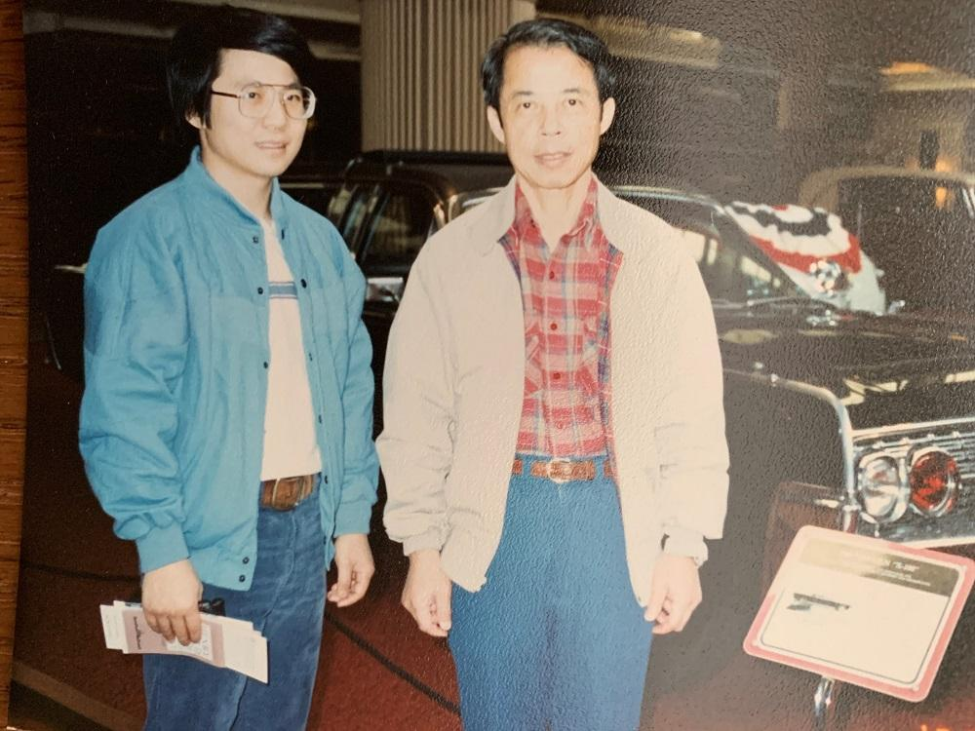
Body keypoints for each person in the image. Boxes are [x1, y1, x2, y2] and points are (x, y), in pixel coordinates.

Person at [379, 17, 729, 731]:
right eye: (525, 104)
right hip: (494, 522)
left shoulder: (657, 255)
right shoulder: (450, 260)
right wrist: (420, 545)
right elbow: (415, 417)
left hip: (614, 521)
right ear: (494, 120)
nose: (550, 127)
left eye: (571, 102)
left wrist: (683, 546)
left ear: (603, 113)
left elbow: (690, 415)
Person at [79, 7, 378, 729]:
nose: (275, 117)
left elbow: (346, 388)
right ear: (194, 109)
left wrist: (348, 520)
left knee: (279, 722)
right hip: (205, 536)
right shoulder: (147, 237)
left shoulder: (320, 244)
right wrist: (160, 548)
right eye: (249, 95)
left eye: (292, 96)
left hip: (303, 530)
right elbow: (127, 408)